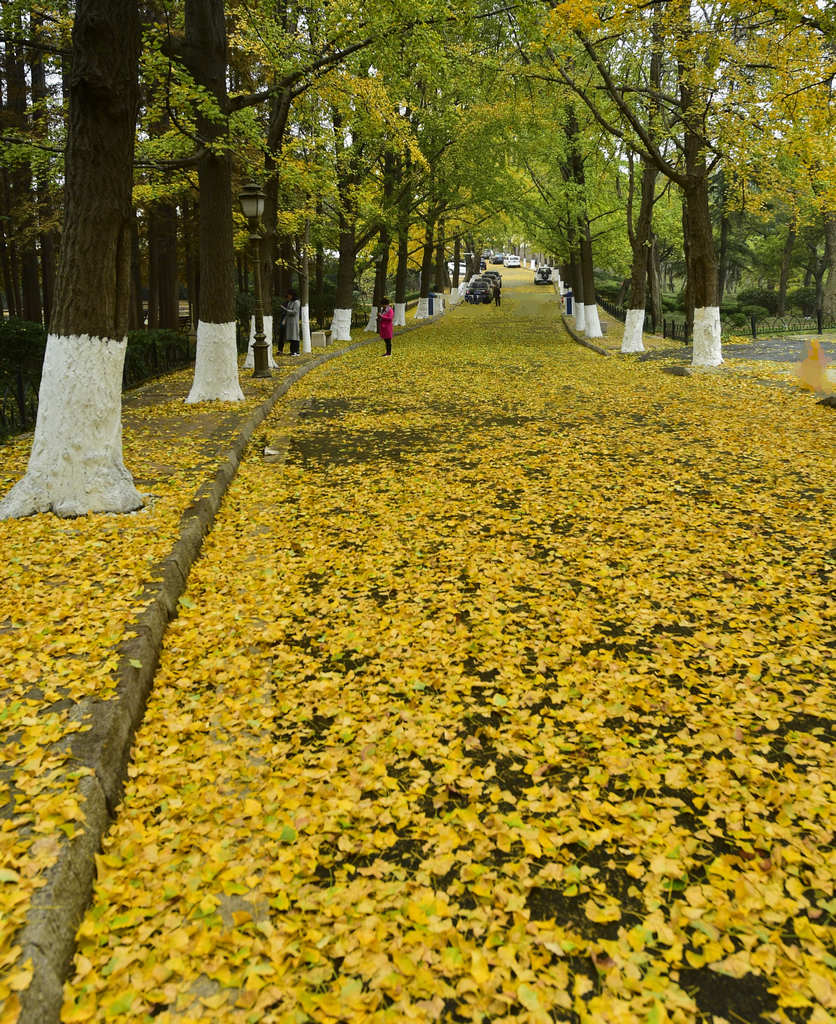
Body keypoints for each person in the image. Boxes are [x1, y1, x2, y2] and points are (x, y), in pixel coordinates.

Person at [281, 290, 301, 355]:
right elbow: (287, 313)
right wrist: (284, 321)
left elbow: (295, 312)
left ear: (292, 295)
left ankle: (296, 351)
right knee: (291, 337)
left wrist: (285, 309)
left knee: (295, 336)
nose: (288, 296)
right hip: (289, 322)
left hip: (294, 322)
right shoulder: (290, 302)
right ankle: (292, 351)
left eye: (289, 295)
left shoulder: (297, 302)